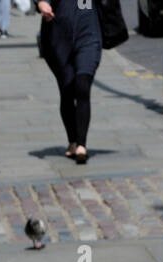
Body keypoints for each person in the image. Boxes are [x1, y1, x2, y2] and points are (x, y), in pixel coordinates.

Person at [35, 0, 102, 164]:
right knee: (67, 89)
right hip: (59, 36)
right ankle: (73, 141)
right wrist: (42, 3)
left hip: (88, 34)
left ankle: (81, 145)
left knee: (82, 85)